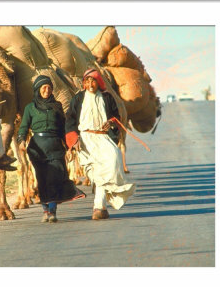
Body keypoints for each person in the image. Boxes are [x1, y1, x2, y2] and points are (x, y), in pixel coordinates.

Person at [65, 68, 136, 220]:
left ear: (99, 83)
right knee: (97, 173)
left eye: (94, 81)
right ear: (84, 83)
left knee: (114, 158)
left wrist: (111, 122)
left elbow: (116, 116)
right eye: (88, 81)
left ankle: (99, 207)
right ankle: (100, 207)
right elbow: (70, 121)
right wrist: (73, 140)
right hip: (85, 139)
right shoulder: (78, 99)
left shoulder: (107, 97)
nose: (91, 84)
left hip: (103, 138)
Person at [17, 75, 86, 223]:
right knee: (42, 179)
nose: (47, 90)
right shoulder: (30, 108)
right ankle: (45, 210)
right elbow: (23, 127)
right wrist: (22, 140)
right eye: (44, 88)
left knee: (54, 178)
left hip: (55, 146)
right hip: (37, 148)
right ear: (37, 89)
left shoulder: (57, 106)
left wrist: (68, 148)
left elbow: (63, 128)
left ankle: (53, 210)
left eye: (49, 87)